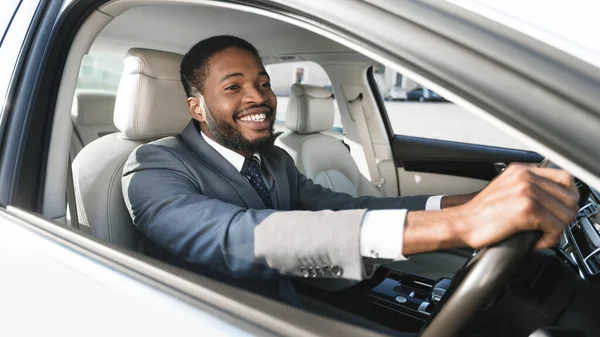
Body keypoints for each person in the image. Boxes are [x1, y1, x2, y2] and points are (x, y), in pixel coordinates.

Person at [121, 35, 579, 305]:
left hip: (291, 305)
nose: (258, 97)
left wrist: (463, 203)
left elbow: (348, 207)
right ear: (196, 108)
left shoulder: (274, 159)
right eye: (234, 86)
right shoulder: (151, 168)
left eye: (263, 83)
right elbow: (241, 234)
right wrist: (459, 225)